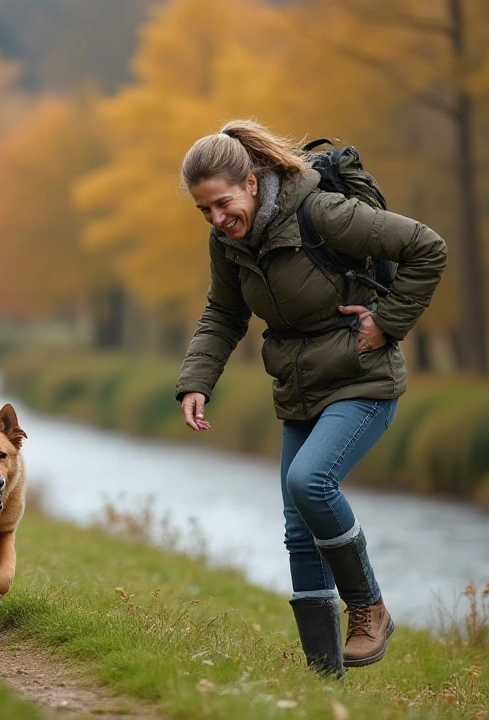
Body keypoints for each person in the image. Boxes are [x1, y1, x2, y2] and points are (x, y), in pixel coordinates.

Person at [174, 119, 446, 678]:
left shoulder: (321, 214)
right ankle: (324, 681)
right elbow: (225, 314)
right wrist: (197, 380)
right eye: (205, 211)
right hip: (298, 388)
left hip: (362, 379)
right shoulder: (227, 243)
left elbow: (427, 248)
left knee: (309, 482)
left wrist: (388, 323)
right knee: (299, 528)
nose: (219, 220)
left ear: (251, 183)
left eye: (223, 204)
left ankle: (370, 607)